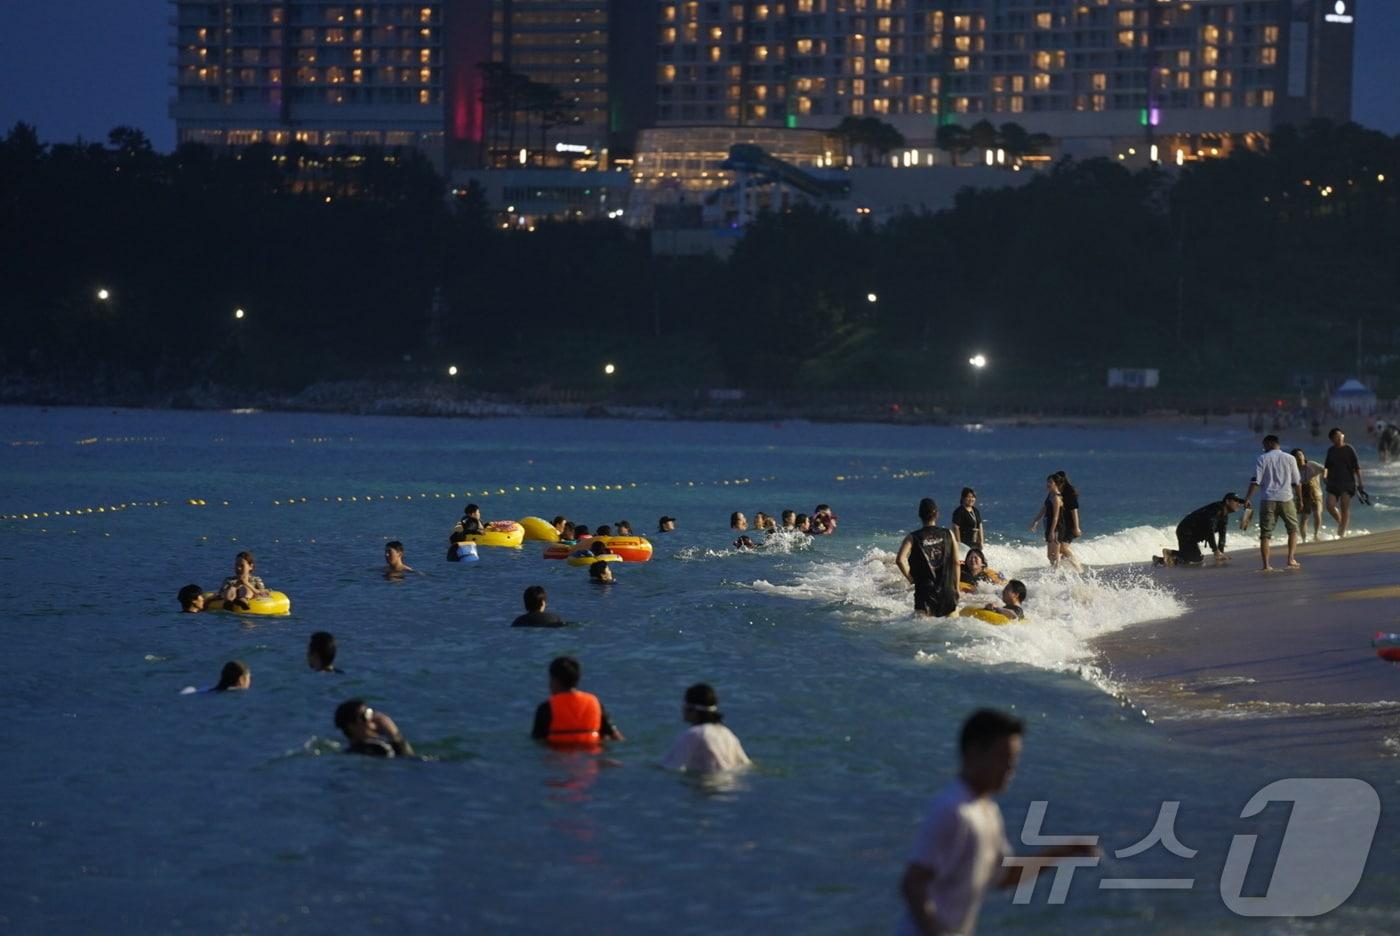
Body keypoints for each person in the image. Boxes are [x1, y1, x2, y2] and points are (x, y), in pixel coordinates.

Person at [897, 710, 1097, 936]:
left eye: (1014, 758)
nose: (1011, 767)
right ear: (973, 753)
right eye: (1003, 757)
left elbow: (1005, 875)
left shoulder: (988, 812)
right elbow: (912, 885)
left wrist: (1063, 852)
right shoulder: (952, 810)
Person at [531, 656, 623, 747]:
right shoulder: (595, 703)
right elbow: (616, 736)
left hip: (559, 756)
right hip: (592, 755)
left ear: (554, 680)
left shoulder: (546, 708)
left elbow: (538, 740)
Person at [661, 683, 752, 773]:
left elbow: (672, 767)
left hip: (707, 784)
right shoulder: (727, 733)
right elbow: (745, 765)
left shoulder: (694, 734)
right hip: (731, 784)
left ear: (692, 710)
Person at [1244, 434, 1302, 571]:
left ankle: (1266, 565)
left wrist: (1248, 498)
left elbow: (1255, 481)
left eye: (1264, 445)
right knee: (1293, 529)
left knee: (1265, 533)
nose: (1263, 448)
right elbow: (1297, 482)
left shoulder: (1262, 459)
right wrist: (1300, 499)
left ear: (1270, 443)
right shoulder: (1290, 458)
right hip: (1286, 498)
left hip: (1268, 499)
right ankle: (1291, 559)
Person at [895, 498, 960, 617]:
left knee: (923, 632)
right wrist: (956, 588)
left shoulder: (912, 537)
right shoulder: (948, 534)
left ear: (920, 515)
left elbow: (900, 560)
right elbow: (956, 562)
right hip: (947, 591)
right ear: (937, 514)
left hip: (924, 593)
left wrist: (910, 578)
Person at [1160, 494, 1243, 566]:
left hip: (1193, 534)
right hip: (1186, 531)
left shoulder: (1224, 517)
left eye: (1239, 502)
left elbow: (1222, 536)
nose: (1238, 504)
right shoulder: (1215, 510)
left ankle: (1161, 561)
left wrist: (1221, 554)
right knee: (1195, 558)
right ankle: (1170, 553)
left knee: (1194, 558)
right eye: (1236, 501)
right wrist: (1215, 551)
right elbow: (1209, 531)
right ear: (1227, 501)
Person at [334, 698, 414, 758]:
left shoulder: (348, 750)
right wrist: (394, 734)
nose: (372, 719)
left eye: (370, 713)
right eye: (365, 716)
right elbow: (409, 762)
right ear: (351, 726)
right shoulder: (378, 749)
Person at [1323, 427, 1364, 538]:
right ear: (1332, 439)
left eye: (1340, 435)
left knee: (1344, 507)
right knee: (1330, 506)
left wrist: (1360, 482)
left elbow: (1357, 467)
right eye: (1336, 436)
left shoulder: (1349, 449)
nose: (1339, 437)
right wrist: (1324, 476)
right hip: (1333, 483)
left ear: (1343, 435)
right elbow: (1326, 466)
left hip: (1348, 483)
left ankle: (1341, 533)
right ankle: (1342, 524)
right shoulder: (1331, 450)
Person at [1027, 476, 1065, 569]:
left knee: (1055, 554)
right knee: (1049, 555)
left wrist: (1052, 531)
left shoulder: (1056, 497)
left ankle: (1058, 574)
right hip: (1048, 525)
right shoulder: (1050, 494)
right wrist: (1035, 521)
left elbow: (1056, 516)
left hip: (1056, 527)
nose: (1048, 484)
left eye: (1050, 482)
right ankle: (1056, 571)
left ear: (1056, 484)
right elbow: (1044, 509)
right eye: (1047, 482)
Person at [1051, 471, 1084, 571]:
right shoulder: (1057, 492)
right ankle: (1069, 569)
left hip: (1070, 524)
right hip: (1062, 524)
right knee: (1061, 549)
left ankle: (1078, 568)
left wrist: (1077, 527)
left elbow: (1074, 510)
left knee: (1063, 548)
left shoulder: (1069, 492)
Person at [1291, 449, 1325, 542]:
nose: (1300, 457)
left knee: (1317, 513)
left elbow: (1324, 469)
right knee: (1304, 519)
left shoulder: (1311, 464)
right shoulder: (1293, 470)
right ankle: (1304, 540)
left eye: (1301, 454)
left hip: (1316, 494)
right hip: (1303, 497)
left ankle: (1316, 534)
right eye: (1297, 456)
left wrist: (1325, 478)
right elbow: (1291, 484)